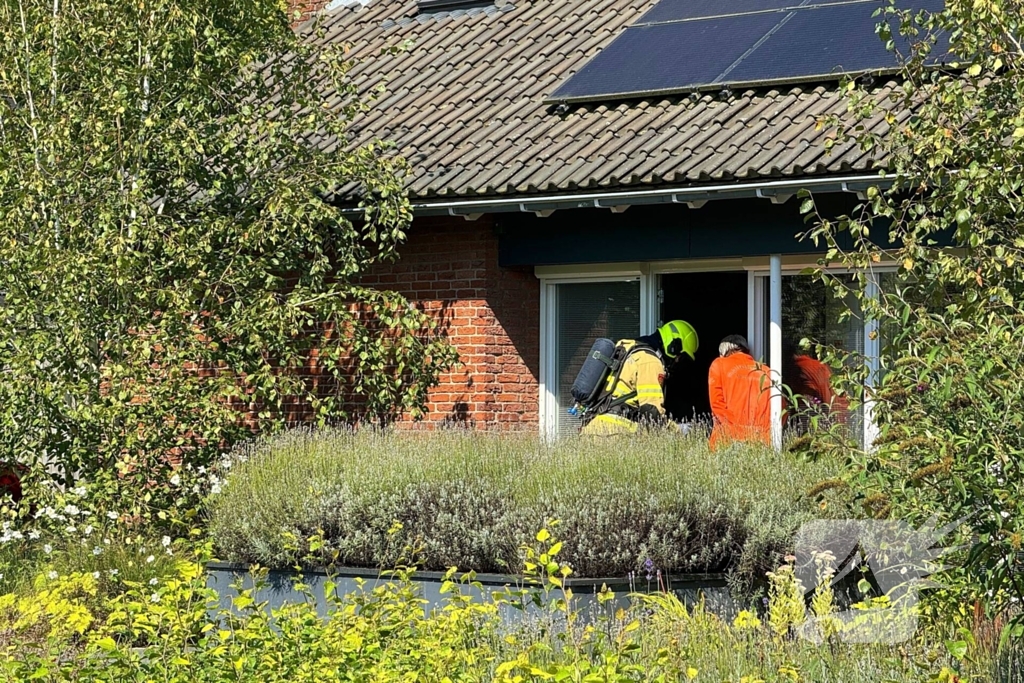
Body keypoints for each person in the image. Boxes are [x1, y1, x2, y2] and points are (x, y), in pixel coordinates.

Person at [581, 320, 698, 436]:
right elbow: (651, 413)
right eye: (680, 357)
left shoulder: (628, 350)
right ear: (674, 346)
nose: (677, 361)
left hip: (592, 429)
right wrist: (679, 430)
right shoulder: (650, 361)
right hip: (615, 433)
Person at [708, 334, 772, 450]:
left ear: (723, 353)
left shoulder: (719, 364)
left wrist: (736, 433)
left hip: (727, 443)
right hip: (762, 444)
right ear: (747, 351)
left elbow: (717, 405)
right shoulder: (767, 372)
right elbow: (781, 409)